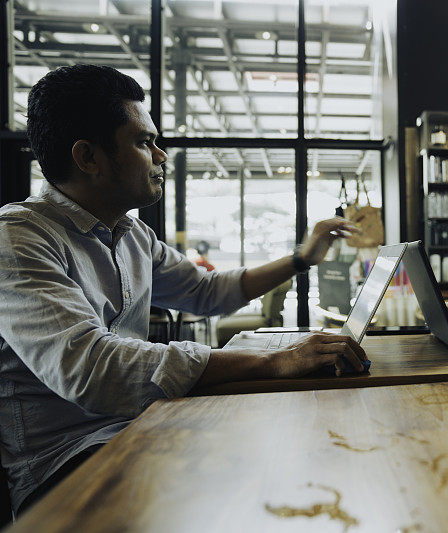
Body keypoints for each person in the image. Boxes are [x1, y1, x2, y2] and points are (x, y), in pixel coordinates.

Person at [0, 65, 367, 515]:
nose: (161, 156)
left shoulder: (131, 235)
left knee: (297, 453)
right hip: (64, 465)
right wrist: (275, 360)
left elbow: (208, 291)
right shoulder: (18, 239)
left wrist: (301, 259)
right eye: (142, 142)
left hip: (140, 426)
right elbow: (90, 368)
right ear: (88, 158)